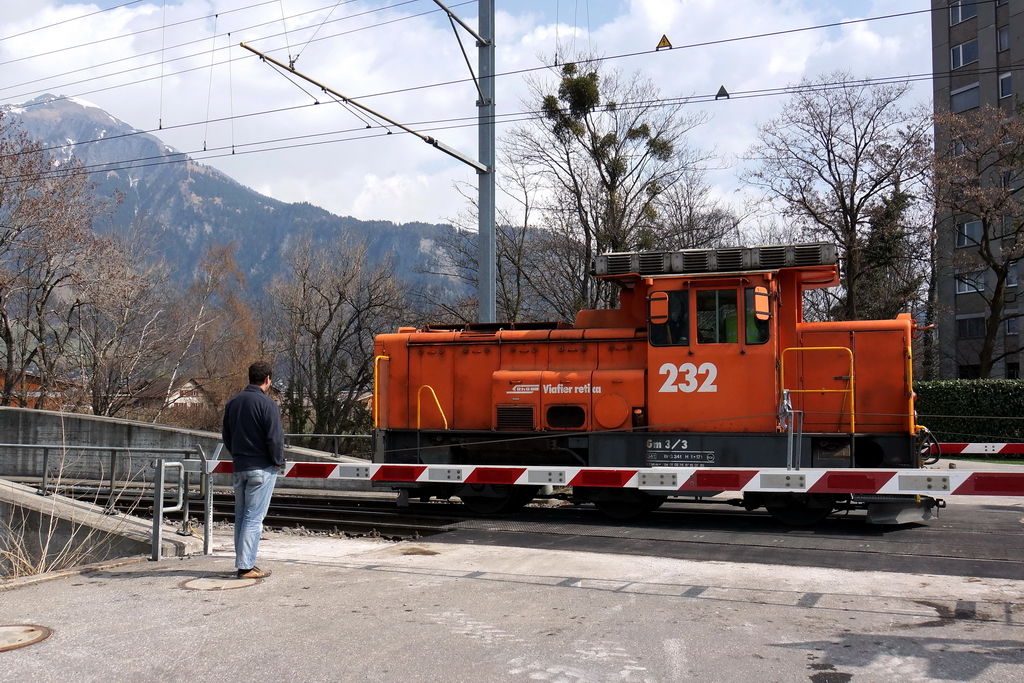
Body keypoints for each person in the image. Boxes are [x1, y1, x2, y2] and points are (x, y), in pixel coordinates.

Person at [222, 360, 285, 579]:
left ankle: (244, 562)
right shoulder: (268, 405)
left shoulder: (233, 403)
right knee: (254, 518)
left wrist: (237, 456)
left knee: (241, 516)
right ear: (268, 379)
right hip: (262, 468)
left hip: (240, 467)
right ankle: (245, 567)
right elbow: (274, 438)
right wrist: (277, 460)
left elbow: (227, 435)